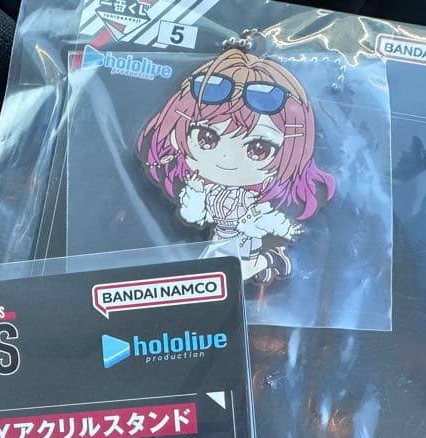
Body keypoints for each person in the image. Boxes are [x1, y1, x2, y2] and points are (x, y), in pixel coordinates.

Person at [137, 40, 336, 285]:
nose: (227, 159)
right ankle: (266, 262)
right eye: (207, 138)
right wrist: (195, 193)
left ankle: (265, 262)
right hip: (221, 236)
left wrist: (285, 229)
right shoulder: (203, 190)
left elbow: (265, 216)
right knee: (217, 269)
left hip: (246, 236)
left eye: (258, 149)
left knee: (229, 270)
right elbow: (194, 215)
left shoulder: (251, 200)